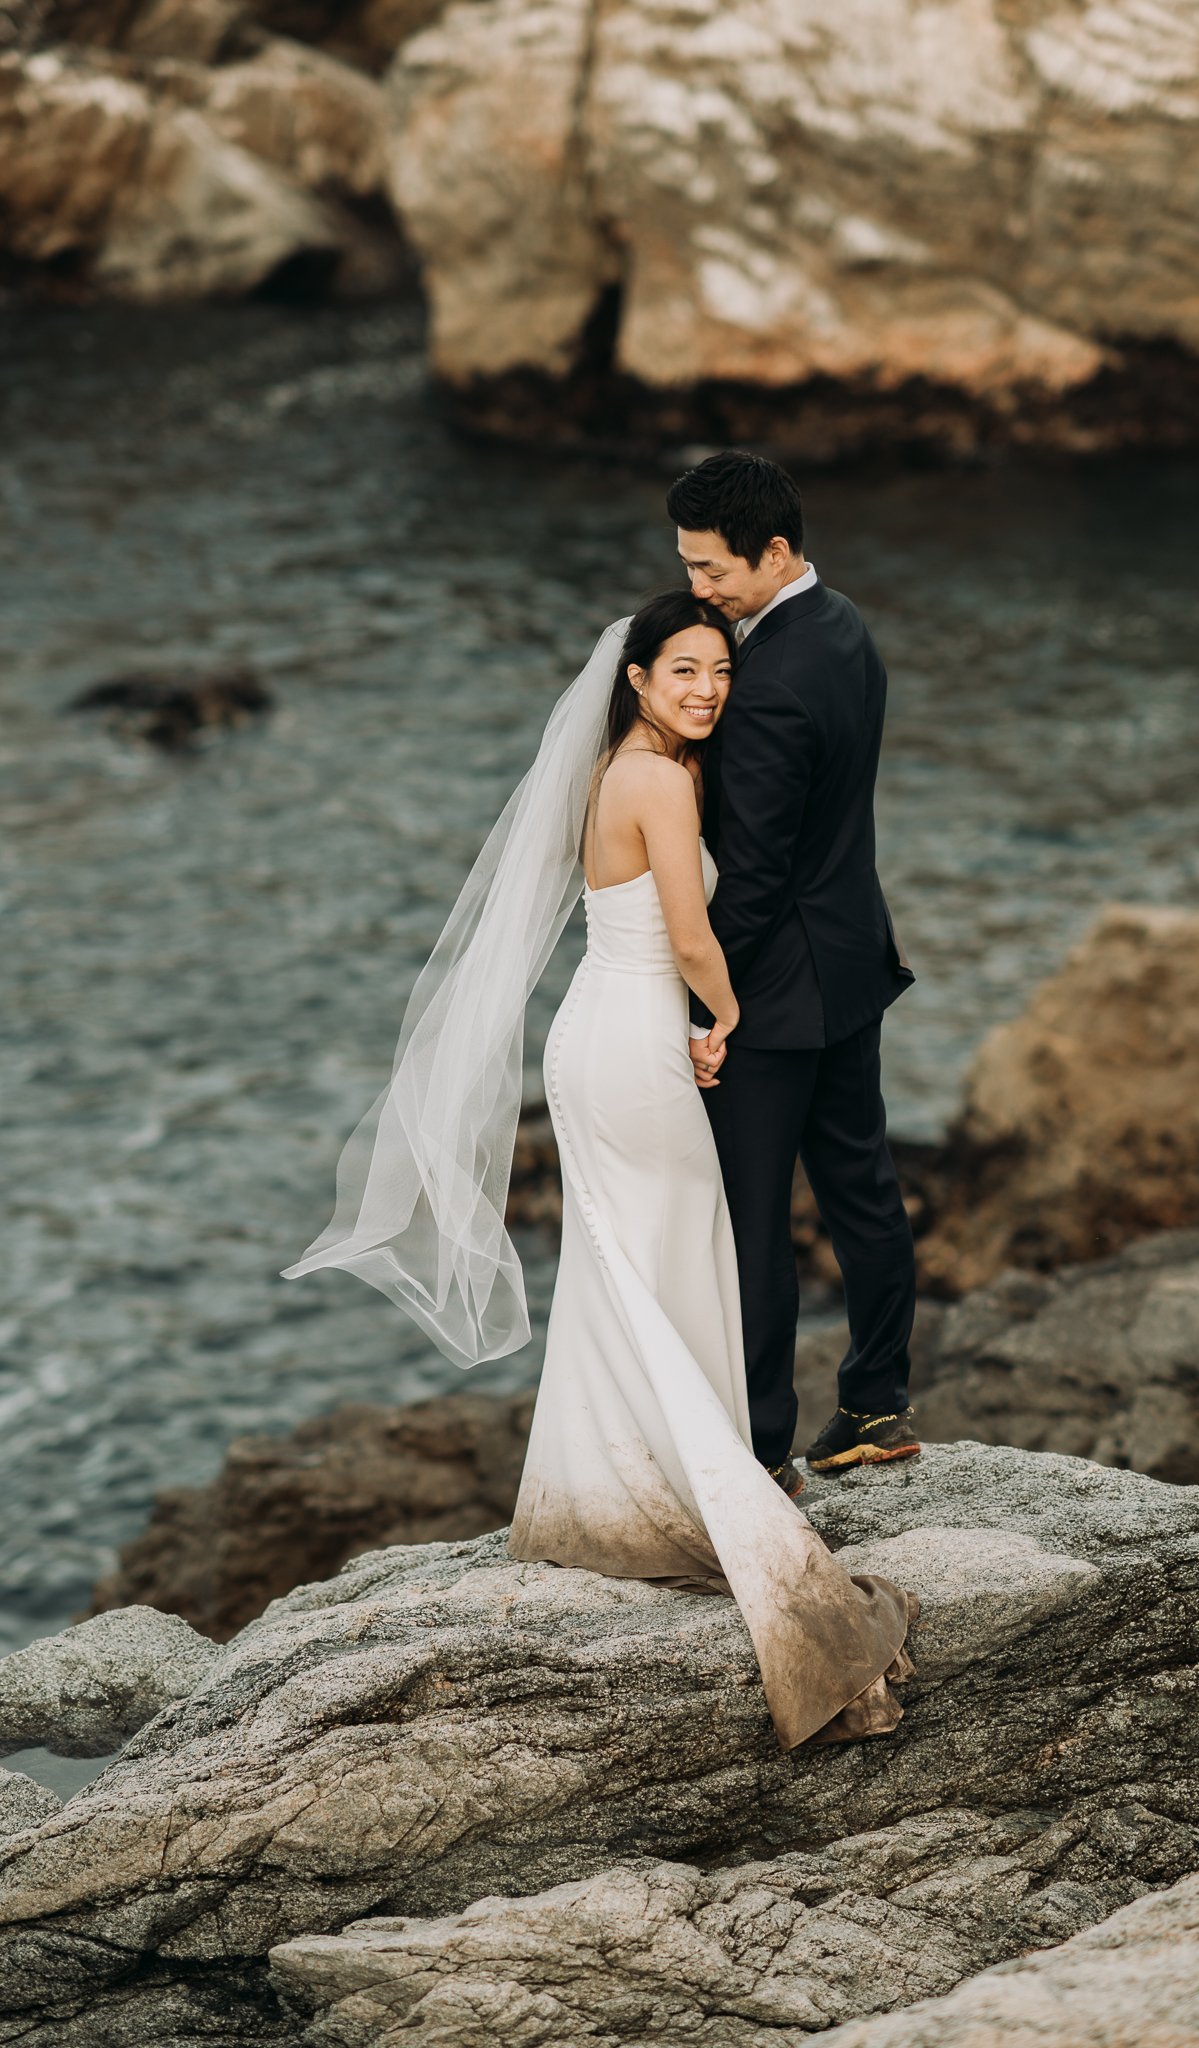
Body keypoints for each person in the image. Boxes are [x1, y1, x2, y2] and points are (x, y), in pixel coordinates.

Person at [283, 585, 916, 1752]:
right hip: (636, 1042)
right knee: (676, 1254)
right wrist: (723, 1018)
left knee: (628, 1265)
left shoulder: (614, 767)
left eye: (719, 672)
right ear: (634, 679)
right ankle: (693, 1489)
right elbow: (688, 934)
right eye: (684, 671)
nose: (708, 690)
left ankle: (609, 1496)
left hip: (596, 1037)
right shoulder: (660, 779)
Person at [667, 451, 920, 1497]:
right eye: (685, 566)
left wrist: (697, 1002)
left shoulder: (764, 686)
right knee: (861, 1184)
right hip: (852, 959)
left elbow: (757, 879)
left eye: (712, 569)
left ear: (773, 552)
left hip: (773, 990)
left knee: (752, 1218)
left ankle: (762, 1448)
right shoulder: (844, 623)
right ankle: (873, 1403)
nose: (696, 589)